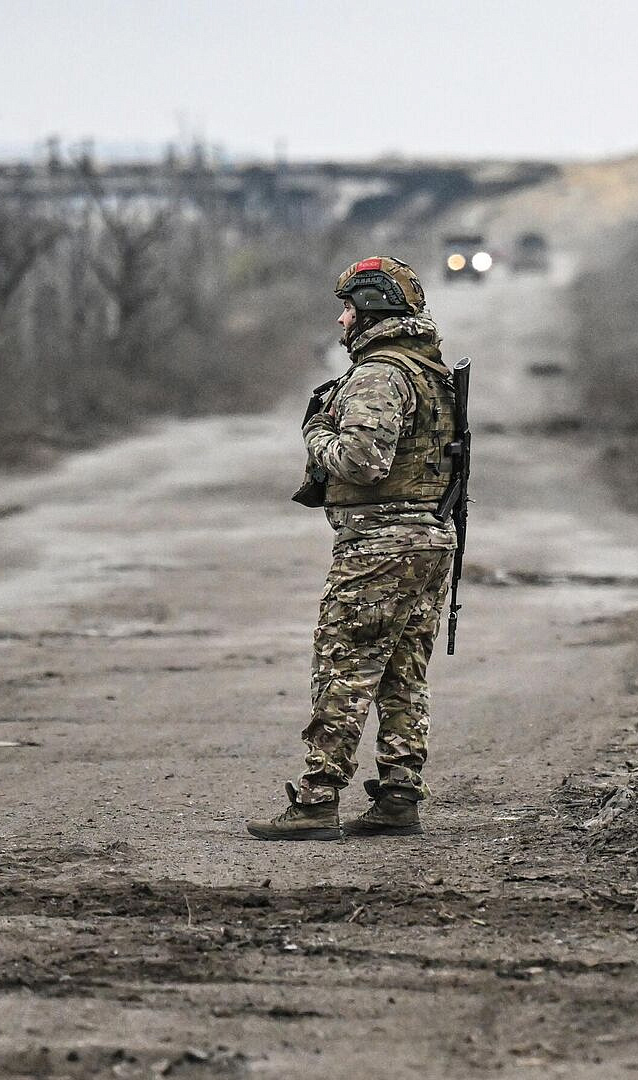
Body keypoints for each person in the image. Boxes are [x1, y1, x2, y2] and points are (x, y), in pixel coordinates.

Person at [248, 255, 457, 841]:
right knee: (402, 671)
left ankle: (317, 801)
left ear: (372, 309)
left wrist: (316, 435)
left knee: (344, 669)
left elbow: (363, 462)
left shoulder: (380, 373)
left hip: (379, 544)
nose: (342, 321)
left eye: (348, 309)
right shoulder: (426, 370)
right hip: (426, 539)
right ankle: (398, 796)